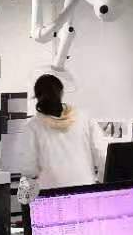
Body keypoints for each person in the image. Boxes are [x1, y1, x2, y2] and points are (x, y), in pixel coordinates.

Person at [16, 73, 107, 203]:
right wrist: (102, 185)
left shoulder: (32, 127)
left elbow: (29, 169)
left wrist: (25, 200)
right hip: (86, 193)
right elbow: (103, 155)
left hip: (51, 197)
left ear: (37, 97)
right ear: (62, 92)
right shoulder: (84, 118)